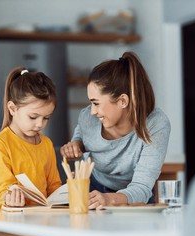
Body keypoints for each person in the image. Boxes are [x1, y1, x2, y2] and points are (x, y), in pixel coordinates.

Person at [60, 51, 170, 209]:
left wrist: (111, 199)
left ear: (123, 101)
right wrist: (76, 144)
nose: (92, 111)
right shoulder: (88, 117)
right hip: (93, 189)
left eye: (96, 103)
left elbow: (142, 187)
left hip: (135, 195)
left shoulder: (156, 123)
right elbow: (82, 133)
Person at [0, 66, 62, 236]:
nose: (40, 124)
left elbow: (54, 186)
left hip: (40, 229)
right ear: (13, 108)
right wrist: (11, 195)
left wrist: (66, 196)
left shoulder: (46, 144)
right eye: (33, 117)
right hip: (8, 232)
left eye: (46, 118)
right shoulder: (0, 144)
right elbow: (4, 187)